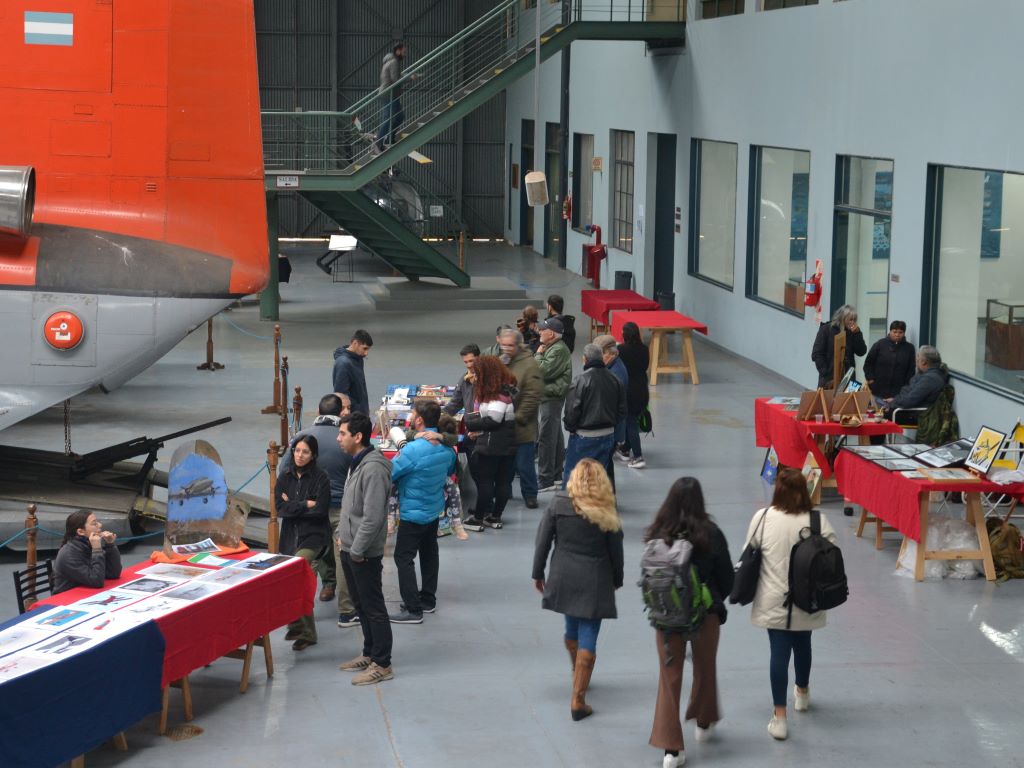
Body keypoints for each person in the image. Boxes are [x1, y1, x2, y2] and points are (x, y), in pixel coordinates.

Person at [744, 467, 838, 741]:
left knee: (778, 653)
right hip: (807, 600)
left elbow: (748, 552)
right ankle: (803, 693)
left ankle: (780, 717)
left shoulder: (763, 518)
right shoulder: (818, 521)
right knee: (803, 644)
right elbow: (832, 554)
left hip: (773, 599)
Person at [646, 478, 734, 768]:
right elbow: (727, 582)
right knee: (705, 667)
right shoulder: (711, 533)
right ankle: (704, 721)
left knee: (669, 680)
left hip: (667, 618)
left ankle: (671, 748)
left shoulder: (659, 533)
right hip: (705, 614)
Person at [532, 458, 624, 721]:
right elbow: (615, 549)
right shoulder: (607, 507)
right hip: (595, 578)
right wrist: (617, 578)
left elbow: (543, 540)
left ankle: (577, 672)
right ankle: (578, 699)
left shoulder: (559, 503)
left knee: (571, 627)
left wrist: (538, 573)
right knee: (589, 631)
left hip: (564, 575)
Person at [279, 393, 359, 628]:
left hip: (309, 510)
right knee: (342, 556)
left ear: (317, 411)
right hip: (338, 507)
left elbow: (285, 470)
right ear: (340, 413)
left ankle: (304, 614)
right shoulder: (344, 439)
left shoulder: (302, 437)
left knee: (308, 561)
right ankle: (346, 611)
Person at [336, 412, 395, 685]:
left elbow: (372, 517)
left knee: (373, 606)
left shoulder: (374, 468)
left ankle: (382, 663)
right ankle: (370, 652)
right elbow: (351, 506)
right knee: (360, 604)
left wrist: (357, 549)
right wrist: (341, 535)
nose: (338, 439)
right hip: (349, 548)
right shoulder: (357, 462)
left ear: (358, 437)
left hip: (362, 553)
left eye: (343, 434)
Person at [388, 401, 457, 625]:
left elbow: (392, 473)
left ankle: (412, 608)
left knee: (403, 557)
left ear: (419, 420)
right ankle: (428, 599)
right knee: (429, 553)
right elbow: (449, 471)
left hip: (412, 512)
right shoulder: (447, 449)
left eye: (413, 414)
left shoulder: (412, 450)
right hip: (433, 509)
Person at [275, 435, 332, 651]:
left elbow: (319, 511)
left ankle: (300, 627)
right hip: (290, 537)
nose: (300, 455)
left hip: (313, 536)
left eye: (305, 452)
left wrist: (294, 507)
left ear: (313, 455)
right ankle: (304, 630)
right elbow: (280, 508)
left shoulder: (321, 478)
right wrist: (304, 504)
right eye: (297, 451)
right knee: (291, 580)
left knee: (297, 570)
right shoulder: (284, 476)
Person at [462, 356, 517, 530]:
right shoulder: (504, 389)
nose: (474, 376)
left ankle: (479, 518)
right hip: (506, 443)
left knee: (487, 481)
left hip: (493, 445)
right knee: (502, 482)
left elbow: (494, 420)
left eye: (477, 373)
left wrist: (471, 424)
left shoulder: (498, 394)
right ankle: (494, 517)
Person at [562, 344, 626, 484]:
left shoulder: (580, 380)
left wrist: (571, 428)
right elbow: (622, 411)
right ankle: (599, 503)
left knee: (574, 475)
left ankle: (569, 504)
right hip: (608, 435)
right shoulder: (615, 380)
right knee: (600, 477)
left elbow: (572, 411)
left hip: (584, 436)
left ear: (584, 359)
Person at [500, 328, 543, 509]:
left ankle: (530, 494)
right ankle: (505, 491)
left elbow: (533, 395)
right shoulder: (502, 362)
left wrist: (519, 417)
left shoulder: (530, 365)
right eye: (503, 345)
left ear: (518, 345)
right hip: (504, 424)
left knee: (525, 464)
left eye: (510, 345)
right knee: (505, 463)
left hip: (522, 425)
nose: (506, 348)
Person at [535, 317, 572, 492]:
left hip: (551, 397)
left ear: (551, 333)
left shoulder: (556, 350)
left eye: (543, 330)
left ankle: (545, 479)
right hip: (550, 396)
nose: (540, 331)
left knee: (546, 438)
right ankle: (556, 474)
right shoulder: (554, 347)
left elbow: (541, 371)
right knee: (555, 435)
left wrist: (538, 354)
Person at [53, 510, 122, 594]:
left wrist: (110, 545)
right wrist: (96, 550)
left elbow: (113, 574)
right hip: (66, 599)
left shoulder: (87, 544)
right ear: (81, 531)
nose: (100, 525)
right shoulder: (69, 554)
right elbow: (96, 581)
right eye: (94, 523)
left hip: (87, 593)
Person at [594, 334, 628, 482]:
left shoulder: (616, 374)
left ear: (611, 353)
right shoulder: (612, 367)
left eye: (601, 354)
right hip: (611, 427)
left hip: (610, 428)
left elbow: (611, 405)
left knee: (604, 466)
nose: (599, 357)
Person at [616, 321, 650, 469]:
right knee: (633, 419)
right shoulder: (644, 349)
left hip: (628, 391)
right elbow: (644, 366)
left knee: (630, 423)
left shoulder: (621, 350)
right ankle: (625, 449)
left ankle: (638, 456)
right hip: (642, 389)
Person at [883, 345, 949, 418]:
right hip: (914, 409)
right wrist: (895, 400)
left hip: (919, 415)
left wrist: (893, 402)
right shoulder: (926, 374)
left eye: (918, 359)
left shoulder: (930, 379)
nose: (916, 362)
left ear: (923, 362)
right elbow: (907, 391)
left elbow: (909, 401)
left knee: (883, 415)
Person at [811, 304, 866, 388]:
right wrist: (826, 374)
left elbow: (861, 351)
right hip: (829, 378)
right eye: (850, 319)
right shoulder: (826, 329)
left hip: (849, 378)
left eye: (855, 320)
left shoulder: (853, 332)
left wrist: (858, 334)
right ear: (842, 318)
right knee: (828, 400)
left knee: (850, 400)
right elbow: (817, 354)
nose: (853, 322)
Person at [863, 320, 916, 400]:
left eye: (900, 332)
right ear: (890, 331)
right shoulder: (880, 344)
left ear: (904, 333)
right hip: (877, 390)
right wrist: (871, 380)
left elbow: (911, 370)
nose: (897, 335)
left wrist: (906, 387)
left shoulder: (909, 348)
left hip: (898, 393)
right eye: (894, 332)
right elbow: (868, 363)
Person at [332, 329, 373, 415]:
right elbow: (341, 394)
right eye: (364, 348)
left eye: (368, 349)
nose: (366, 353)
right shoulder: (343, 363)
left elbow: (361, 387)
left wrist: (365, 409)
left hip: (361, 413)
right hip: (353, 416)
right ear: (355, 343)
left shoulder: (359, 359)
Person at [375, 42, 407, 152]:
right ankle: (379, 141)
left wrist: (405, 76)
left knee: (399, 117)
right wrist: (408, 78)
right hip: (389, 94)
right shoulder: (394, 62)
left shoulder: (391, 62)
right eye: (403, 51)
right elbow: (395, 80)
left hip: (391, 94)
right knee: (388, 119)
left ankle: (389, 137)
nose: (404, 54)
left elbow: (395, 76)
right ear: (398, 51)